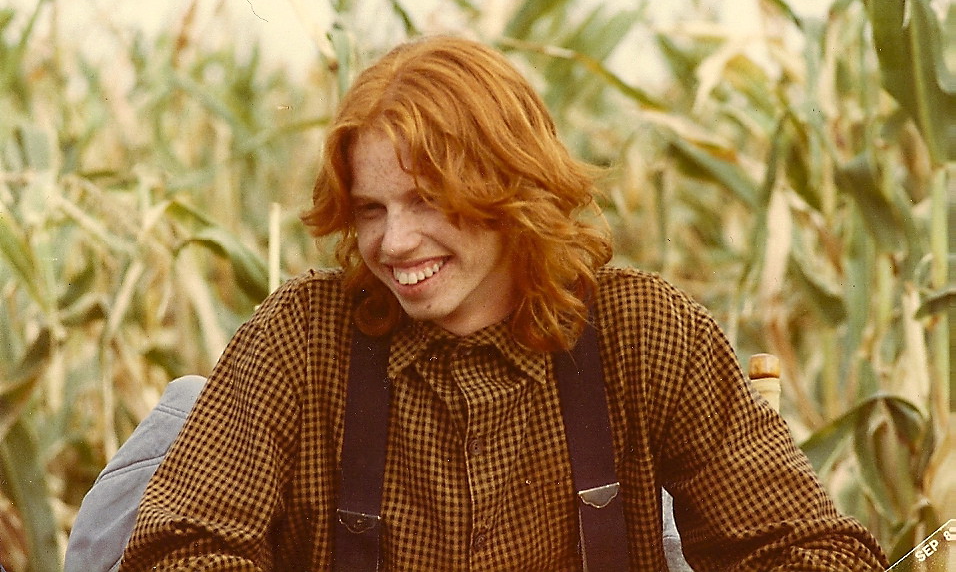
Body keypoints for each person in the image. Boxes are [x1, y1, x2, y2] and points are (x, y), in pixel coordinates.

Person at [117, 36, 888, 570]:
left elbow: (808, 548)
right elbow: (178, 547)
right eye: (371, 209)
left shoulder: (645, 332)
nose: (394, 242)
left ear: (511, 188)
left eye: (427, 200)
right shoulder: (302, 337)